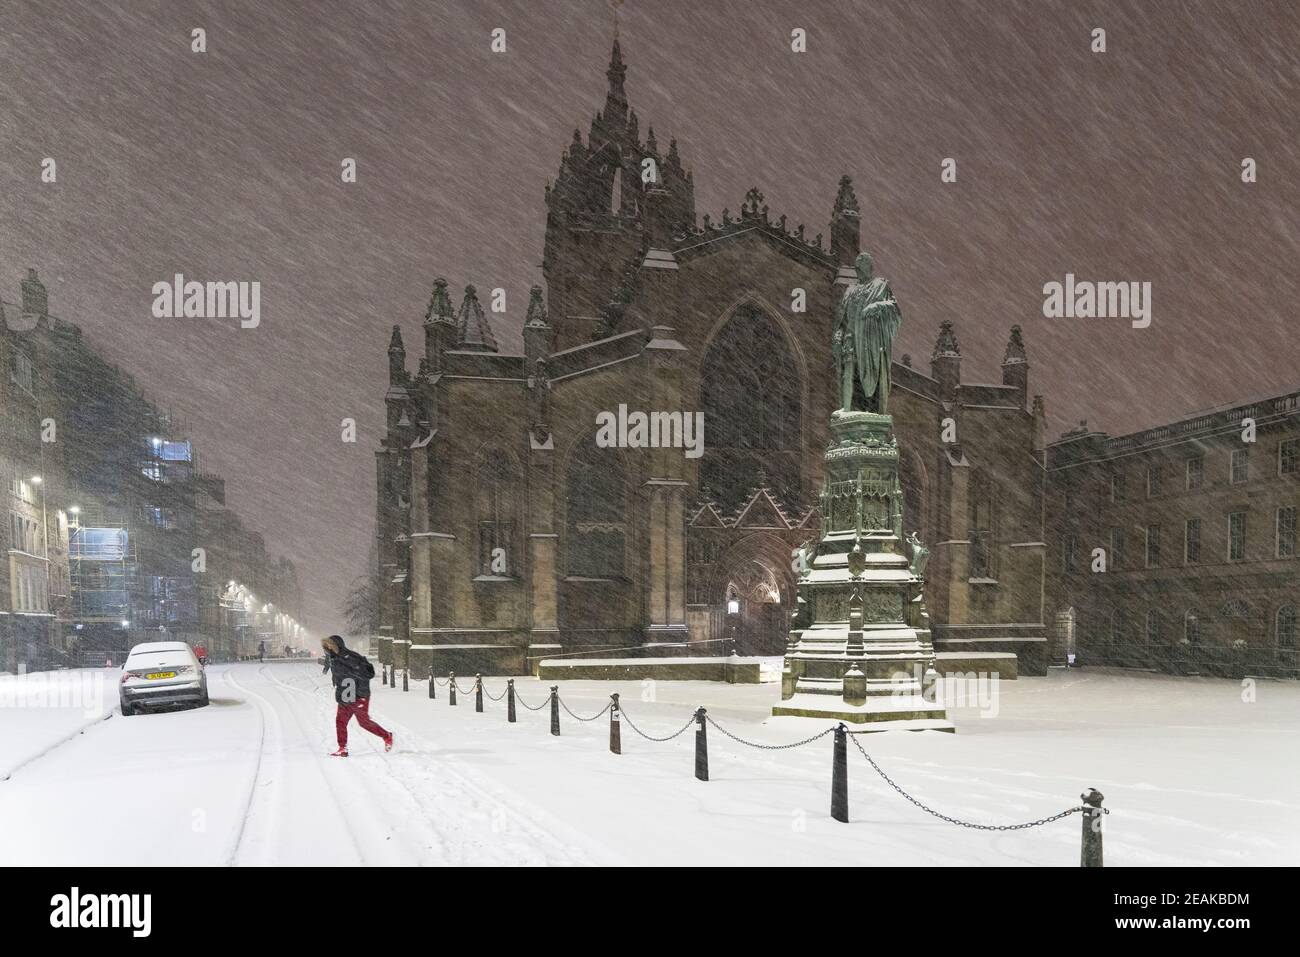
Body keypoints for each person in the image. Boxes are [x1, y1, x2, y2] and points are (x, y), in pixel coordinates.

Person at [321, 634, 392, 757]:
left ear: (335, 646)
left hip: (359, 696)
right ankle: (342, 748)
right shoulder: (335, 659)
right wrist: (340, 695)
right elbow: (341, 679)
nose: (327, 650)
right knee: (340, 722)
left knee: (363, 722)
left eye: (328, 647)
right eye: (325, 648)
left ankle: (387, 736)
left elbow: (367, 673)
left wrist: (361, 693)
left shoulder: (350, 657)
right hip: (345, 696)